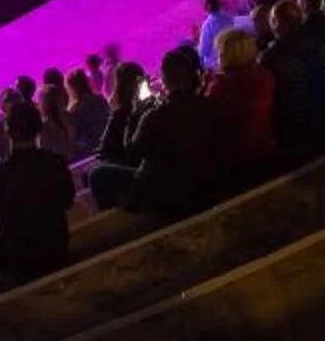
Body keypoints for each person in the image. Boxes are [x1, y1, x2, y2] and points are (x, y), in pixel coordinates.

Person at [87, 46, 224, 215]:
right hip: (208, 186)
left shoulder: (154, 117)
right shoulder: (209, 104)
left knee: (96, 174)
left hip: (170, 197)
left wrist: (135, 116)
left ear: (164, 80)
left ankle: (119, 220)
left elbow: (131, 153)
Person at [0, 99, 78, 281]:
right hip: (56, 250)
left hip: (19, 263)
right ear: (38, 128)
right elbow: (67, 200)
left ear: (8, 132)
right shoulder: (56, 162)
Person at [261, 0, 325, 156]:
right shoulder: (318, 44)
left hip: (291, 131)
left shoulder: (272, 56)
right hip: (320, 122)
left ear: (275, 22)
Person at [205, 26, 279, 179]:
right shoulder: (265, 75)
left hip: (237, 159)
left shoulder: (221, 87)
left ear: (227, 55)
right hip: (266, 148)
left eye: (219, 52)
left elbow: (208, 122)